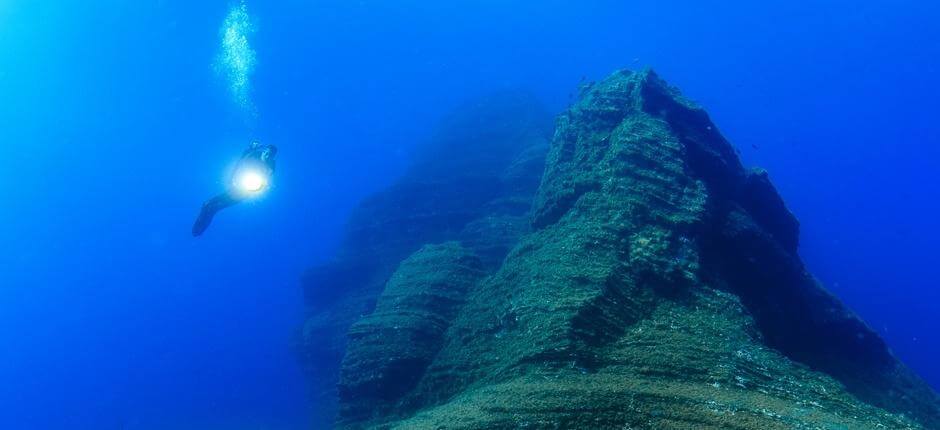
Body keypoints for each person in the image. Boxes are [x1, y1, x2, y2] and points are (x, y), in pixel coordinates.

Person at [192, 142, 278, 237]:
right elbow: (241, 161)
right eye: (266, 152)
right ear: (264, 150)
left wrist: (258, 186)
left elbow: (266, 179)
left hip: (245, 192)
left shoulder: (271, 165)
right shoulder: (255, 154)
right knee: (207, 204)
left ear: (272, 157)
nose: (267, 156)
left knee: (214, 208)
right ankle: (196, 230)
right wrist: (251, 148)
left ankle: (197, 232)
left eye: (270, 155)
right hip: (238, 186)